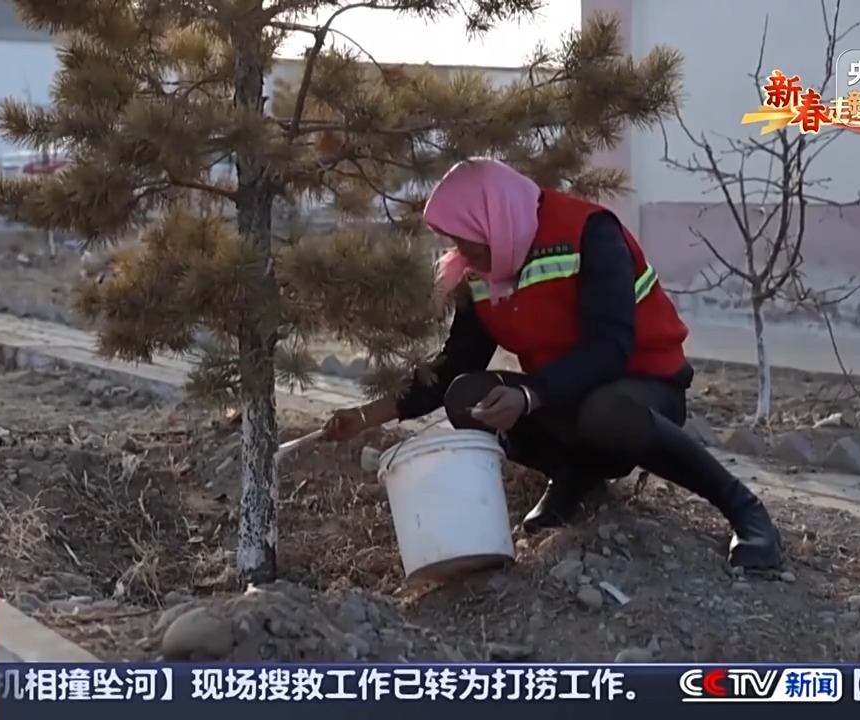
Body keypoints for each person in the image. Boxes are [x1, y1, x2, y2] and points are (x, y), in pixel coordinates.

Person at [322, 158, 783, 569]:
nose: (463, 252)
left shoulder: (589, 233)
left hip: (644, 388)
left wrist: (529, 395)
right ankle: (574, 477)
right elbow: (453, 365)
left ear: (494, 216)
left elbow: (610, 348)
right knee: (466, 396)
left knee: (606, 412)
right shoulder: (485, 266)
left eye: (467, 238)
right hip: (564, 393)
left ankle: (743, 508)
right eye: (456, 241)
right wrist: (364, 417)